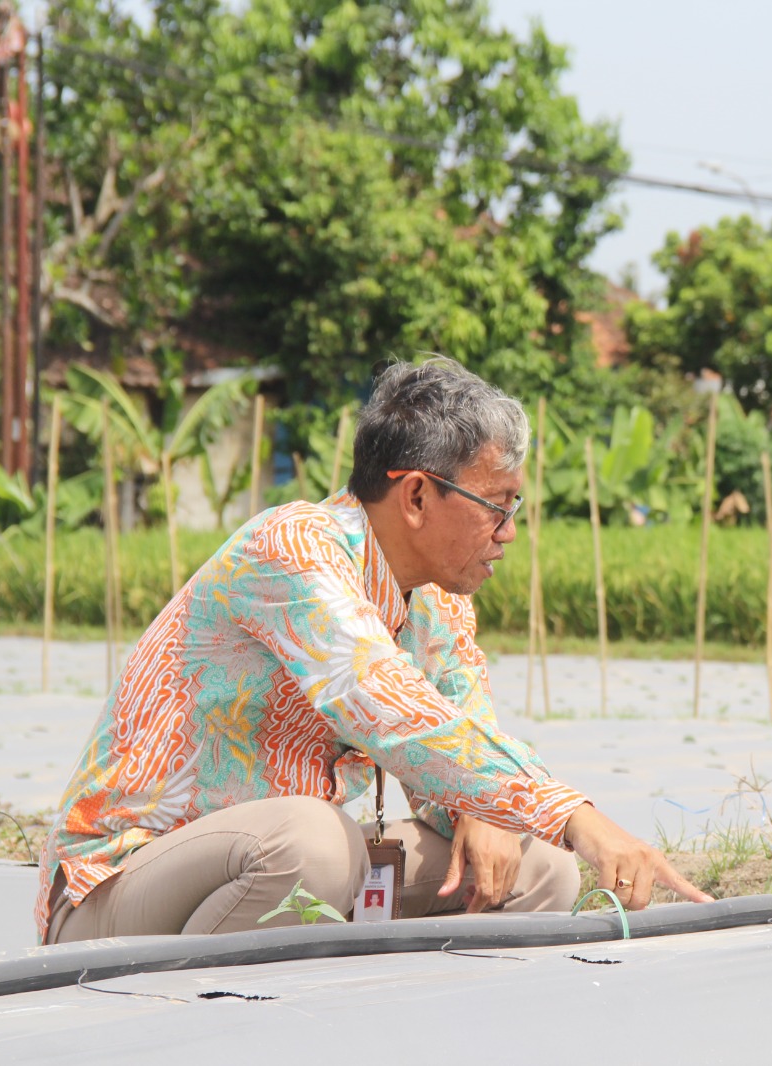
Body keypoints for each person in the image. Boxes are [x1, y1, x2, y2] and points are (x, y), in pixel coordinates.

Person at [36, 358, 710, 943]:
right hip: (119, 888)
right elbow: (392, 710)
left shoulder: (440, 601)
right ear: (416, 494)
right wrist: (577, 816)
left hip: (263, 871)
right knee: (314, 844)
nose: (509, 532)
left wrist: (486, 810)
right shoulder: (293, 550)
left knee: (538, 869)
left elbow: (462, 730)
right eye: (498, 505)